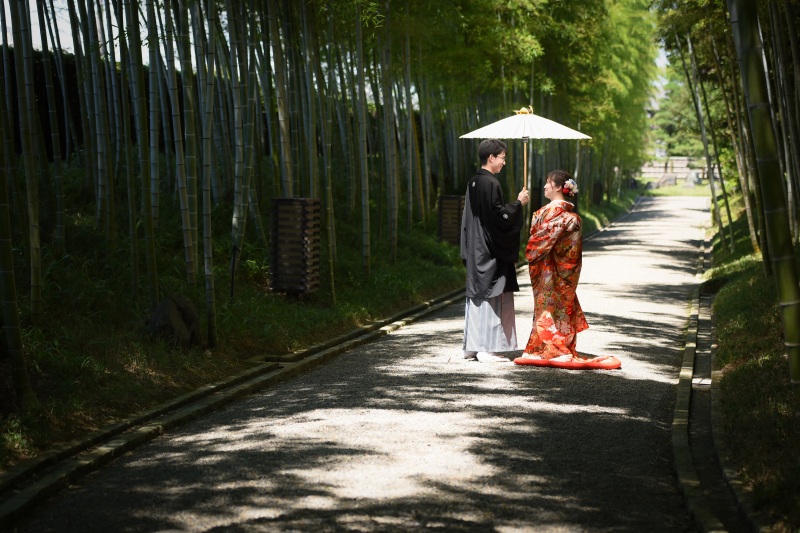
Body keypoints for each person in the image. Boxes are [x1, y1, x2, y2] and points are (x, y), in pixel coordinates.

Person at [460, 139, 529, 363]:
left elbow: (471, 219)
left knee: (476, 297)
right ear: (491, 157)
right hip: (490, 250)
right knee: (493, 295)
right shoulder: (491, 183)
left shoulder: (473, 182)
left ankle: (471, 347)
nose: (504, 163)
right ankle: (488, 349)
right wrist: (518, 204)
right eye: (502, 158)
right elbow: (499, 218)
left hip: (475, 247)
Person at [516, 169, 590, 362]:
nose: (544, 186)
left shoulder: (548, 214)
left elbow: (535, 244)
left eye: (548, 182)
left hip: (546, 270)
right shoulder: (572, 218)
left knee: (546, 308)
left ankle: (546, 348)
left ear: (558, 187)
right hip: (563, 270)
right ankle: (554, 347)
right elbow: (573, 254)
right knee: (556, 308)